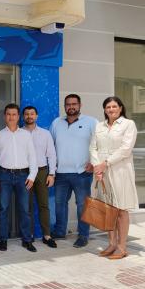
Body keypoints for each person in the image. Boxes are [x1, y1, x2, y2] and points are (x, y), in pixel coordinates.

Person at [90, 96, 138, 260]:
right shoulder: (99, 126)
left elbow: (126, 149)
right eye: (108, 107)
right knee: (108, 209)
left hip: (120, 171)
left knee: (121, 209)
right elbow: (93, 148)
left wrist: (105, 163)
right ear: (104, 110)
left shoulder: (128, 124)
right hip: (101, 172)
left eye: (114, 106)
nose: (111, 109)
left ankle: (122, 247)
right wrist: (97, 167)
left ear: (120, 108)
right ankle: (111, 243)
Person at [50, 94, 98, 248]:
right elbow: (50, 147)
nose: (71, 107)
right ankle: (60, 231)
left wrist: (94, 163)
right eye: (68, 104)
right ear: (64, 106)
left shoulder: (91, 122)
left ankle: (83, 235)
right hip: (61, 173)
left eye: (74, 104)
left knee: (82, 205)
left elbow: (100, 144)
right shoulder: (56, 123)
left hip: (82, 173)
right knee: (59, 204)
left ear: (80, 105)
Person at [0, 103, 38, 252]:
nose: (11, 117)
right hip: (4, 176)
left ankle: (27, 240)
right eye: (8, 114)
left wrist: (32, 176)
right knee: (3, 209)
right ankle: (3, 239)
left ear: (18, 117)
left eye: (14, 114)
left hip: (23, 176)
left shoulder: (26, 135)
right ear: (4, 116)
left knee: (24, 209)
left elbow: (32, 156)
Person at [22, 106, 58, 248]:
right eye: (26, 114)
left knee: (44, 205)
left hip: (42, 172)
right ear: (23, 117)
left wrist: (51, 174)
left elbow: (52, 155)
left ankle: (47, 235)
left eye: (32, 114)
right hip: (24, 172)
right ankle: (28, 236)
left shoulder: (45, 133)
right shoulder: (19, 133)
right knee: (27, 206)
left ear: (36, 116)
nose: (29, 116)